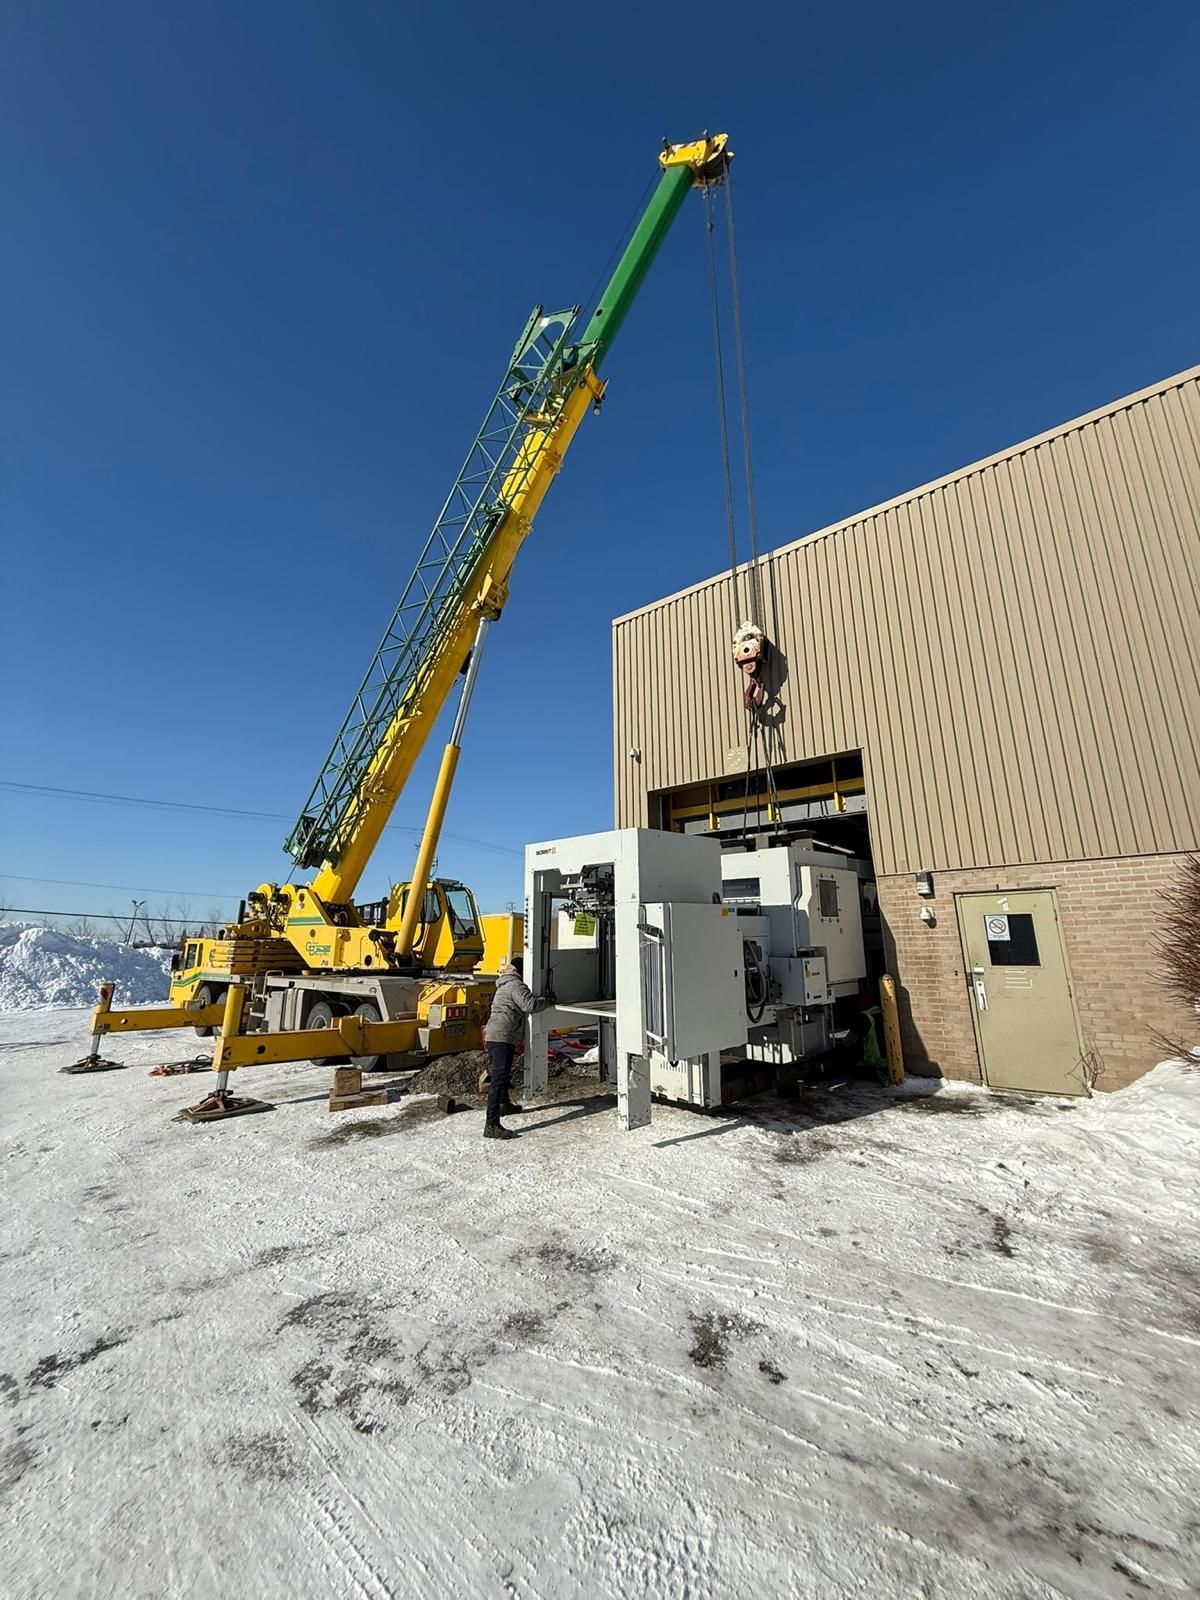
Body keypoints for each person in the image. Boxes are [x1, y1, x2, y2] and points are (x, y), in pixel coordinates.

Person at [482, 956, 547, 1141]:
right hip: (503, 1036)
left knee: (501, 1076)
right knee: (498, 1079)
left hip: (495, 1035)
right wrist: (546, 1000)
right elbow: (530, 1005)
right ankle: (491, 1125)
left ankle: (505, 1104)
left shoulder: (504, 984)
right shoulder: (516, 985)